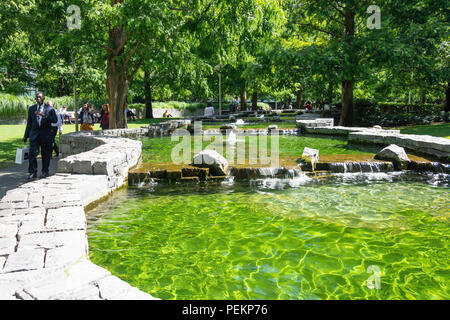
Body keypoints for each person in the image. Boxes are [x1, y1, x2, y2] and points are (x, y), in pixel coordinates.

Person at [22, 91, 57, 180]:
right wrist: (25, 136)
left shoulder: (50, 109)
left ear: (43, 98)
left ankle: (45, 171)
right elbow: (29, 123)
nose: (38, 98)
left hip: (46, 136)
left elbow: (55, 120)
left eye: (40, 97)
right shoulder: (31, 109)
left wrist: (44, 115)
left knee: (45, 155)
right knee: (32, 154)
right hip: (34, 135)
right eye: (37, 97)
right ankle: (33, 172)